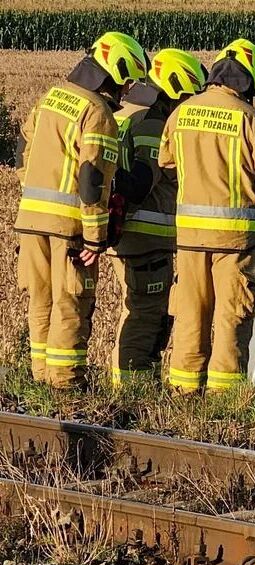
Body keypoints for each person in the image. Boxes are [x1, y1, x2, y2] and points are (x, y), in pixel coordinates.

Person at [14, 32, 148, 388]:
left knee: (40, 303)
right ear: (114, 72)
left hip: (30, 220)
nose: (127, 90)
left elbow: (21, 153)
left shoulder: (49, 98)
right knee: (72, 303)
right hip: (69, 227)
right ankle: (65, 385)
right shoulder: (97, 112)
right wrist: (94, 239)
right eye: (128, 81)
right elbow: (93, 182)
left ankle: (41, 381)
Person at [159, 39, 255, 393]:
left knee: (189, 316)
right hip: (233, 241)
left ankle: (183, 392)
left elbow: (167, 165)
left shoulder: (180, 114)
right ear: (251, 80)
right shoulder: (253, 120)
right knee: (232, 317)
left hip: (188, 240)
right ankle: (224, 398)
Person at [109, 49, 208, 385]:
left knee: (133, 312)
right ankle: (135, 393)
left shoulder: (124, 113)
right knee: (147, 317)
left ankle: (127, 385)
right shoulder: (153, 123)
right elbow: (141, 182)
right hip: (145, 239)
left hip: (127, 235)